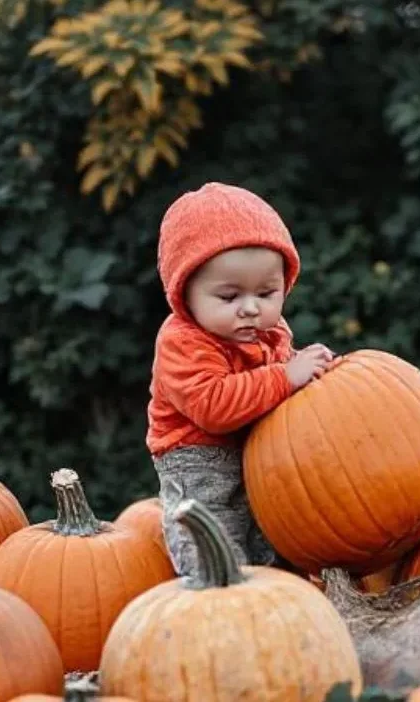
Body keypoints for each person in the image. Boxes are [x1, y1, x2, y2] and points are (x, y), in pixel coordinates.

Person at [146, 181, 333, 580]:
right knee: (217, 555)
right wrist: (285, 377)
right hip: (199, 468)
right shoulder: (182, 342)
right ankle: (218, 616)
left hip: (257, 459)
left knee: (272, 547)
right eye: (229, 297)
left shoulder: (267, 330)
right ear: (186, 295)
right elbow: (214, 406)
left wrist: (308, 369)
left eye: (267, 292)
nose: (250, 308)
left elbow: (279, 371)